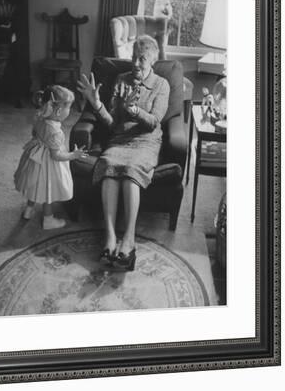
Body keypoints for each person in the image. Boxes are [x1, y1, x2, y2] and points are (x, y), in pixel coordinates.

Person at [77, 35, 170, 270]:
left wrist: (135, 110)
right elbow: (111, 122)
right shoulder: (121, 79)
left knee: (130, 172)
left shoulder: (161, 85)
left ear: (152, 62)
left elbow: (153, 122)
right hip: (119, 139)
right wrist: (96, 103)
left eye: (142, 59)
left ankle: (129, 239)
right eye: (133, 58)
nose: (136, 64)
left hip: (146, 142)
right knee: (108, 166)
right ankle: (109, 236)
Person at [14, 85, 88, 230]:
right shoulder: (56, 132)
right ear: (59, 111)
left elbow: (35, 134)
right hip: (48, 164)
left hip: (35, 157)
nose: (70, 111)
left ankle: (29, 210)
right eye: (69, 108)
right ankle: (48, 219)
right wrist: (74, 155)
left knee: (35, 185)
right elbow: (57, 155)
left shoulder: (39, 116)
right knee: (47, 190)